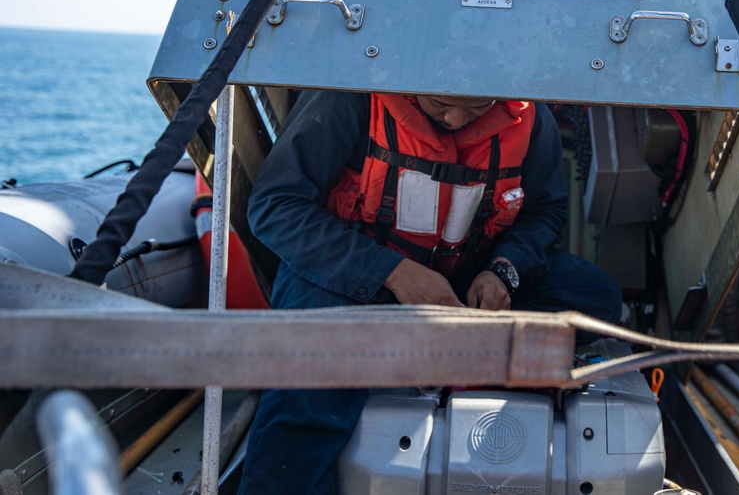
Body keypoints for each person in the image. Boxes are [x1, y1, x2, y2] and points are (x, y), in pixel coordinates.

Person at [237, 90, 621, 495]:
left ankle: (439, 352)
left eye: (477, 107)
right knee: (304, 391)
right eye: (440, 105)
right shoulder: (347, 97)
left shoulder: (529, 115)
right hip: (352, 278)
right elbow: (275, 206)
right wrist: (393, 273)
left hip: (464, 281)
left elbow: (545, 211)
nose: (456, 119)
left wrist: (503, 271)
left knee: (596, 299)